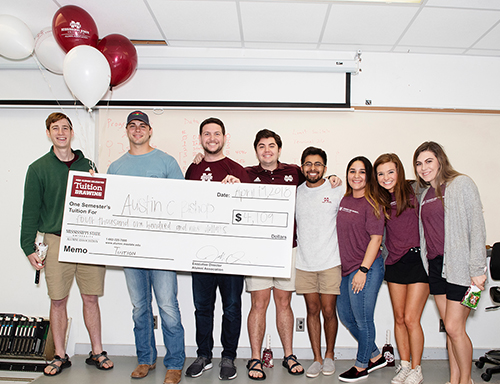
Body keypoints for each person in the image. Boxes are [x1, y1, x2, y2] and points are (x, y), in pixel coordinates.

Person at [20, 112, 113, 376]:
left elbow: (102, 206)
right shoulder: (38, 168)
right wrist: (28, 247)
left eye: (65, 128)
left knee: (90, 297)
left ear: (72, 133)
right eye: (55, 128)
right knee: (58, 300)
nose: (61, 132)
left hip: (88, 240)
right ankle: (60, 355)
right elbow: (30, 211)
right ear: (48, 133)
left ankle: (97, 351)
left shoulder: (89, 165)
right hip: (56, 240)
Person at [107, 111, 185, 384]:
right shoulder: (116, 167)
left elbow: (181, 203)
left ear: (150, 131)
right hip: (131, 249)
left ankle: (174, 363)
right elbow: (110, 209)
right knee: (140, 307)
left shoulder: (166, 162)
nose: (137, 130)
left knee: (167, 306)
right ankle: (145, 359)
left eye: (142, 126)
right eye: (132, 126)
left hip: (163, 249)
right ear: (126, 131)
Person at [413, 141, 487, 384]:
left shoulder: (461, 184)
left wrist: (477, 271)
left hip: (461, 269)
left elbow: (477, 229)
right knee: (449, 329)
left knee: (455, 328)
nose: (423, 168)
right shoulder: (425, 194)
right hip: (436, 268)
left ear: (440, 160)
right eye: (419, 163)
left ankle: (466, 380)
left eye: (428, 161)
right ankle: (454, 379)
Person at [185, 117, 250, 381]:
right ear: (200, 138)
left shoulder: (237, 169)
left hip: (231, 254)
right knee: (202, 307)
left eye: (217, 134)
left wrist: (238, 190)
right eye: (207, 134)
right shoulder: (192, 169)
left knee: (232, 306)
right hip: (200, 252)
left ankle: (229, 357)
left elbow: (247, 211)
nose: (212, 138)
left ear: (225, 137)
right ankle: (203, 355)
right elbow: (183, 205)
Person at [373, 153, 429, 384]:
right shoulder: (379, 199)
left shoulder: (416, 190)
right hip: (394, 262)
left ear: (399, 171)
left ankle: (417, 368)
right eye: (381, 174)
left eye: (390, 172)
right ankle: (404, 365)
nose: (386, 177)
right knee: (398, 318)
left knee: (411, 318)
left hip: (417, 262)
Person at [336, 156, 386, 382]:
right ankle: (376, 355)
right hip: (346, 268)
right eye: (352, 171)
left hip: (367, 267)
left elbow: (376, 239)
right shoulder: (345, 199)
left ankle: (361, 366)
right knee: (346, 317)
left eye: (362, 172)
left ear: (369, 176)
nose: (356, 176)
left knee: (364, 319)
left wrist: (363, 271)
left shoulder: (372, 202)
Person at [294, 146, 343, 378]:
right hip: (304, 263)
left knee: (328, 310)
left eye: (318, 164)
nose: (313, 168)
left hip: (330, 261)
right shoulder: (295, 192)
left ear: (325, 167)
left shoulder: (336, 190)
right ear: (302, 166)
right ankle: (316, 358)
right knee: (311, 310)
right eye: (308, 164)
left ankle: (330, 355)